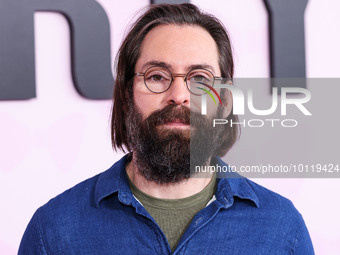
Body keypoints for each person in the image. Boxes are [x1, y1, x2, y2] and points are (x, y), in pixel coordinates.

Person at [19, 3, 314, 254]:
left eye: (200, 78)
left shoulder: (282, 231)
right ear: (126, 94)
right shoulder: (53, 231)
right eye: (157, 76)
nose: (179, 95)